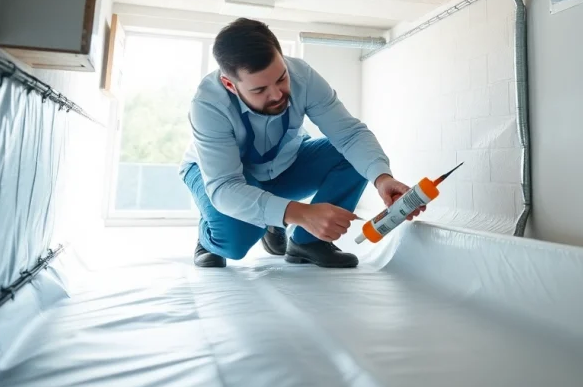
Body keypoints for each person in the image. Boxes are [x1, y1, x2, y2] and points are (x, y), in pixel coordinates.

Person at [179, 18, 418, 268]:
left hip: (282, 166)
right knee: (237, 242)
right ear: (230, 85)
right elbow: (225, 186)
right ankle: (210, 237)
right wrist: (299, 213)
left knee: (352, 155)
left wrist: (382, 179)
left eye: (281, 79)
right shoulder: (207, 105)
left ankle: (308, 242)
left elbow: (350, 134)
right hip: (222, 177)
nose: (277, 95)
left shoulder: (302, 75)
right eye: (260, 90)